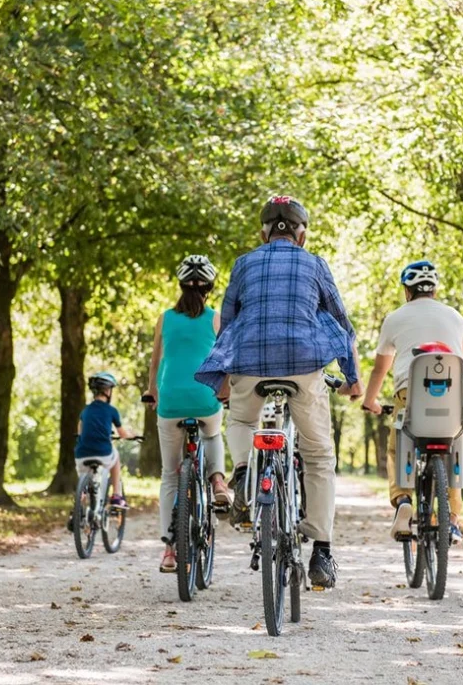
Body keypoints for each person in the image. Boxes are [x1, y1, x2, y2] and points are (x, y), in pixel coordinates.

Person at [195, 195, 362, 589]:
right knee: (318, 455)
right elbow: (342, 323)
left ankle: (243, 473)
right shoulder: (315, 264)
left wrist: (223, 373)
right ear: (302, 235)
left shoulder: (243, 264)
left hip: (250, 363)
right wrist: (352, 378)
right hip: (304, 366)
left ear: (263, 233)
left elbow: (228, 323)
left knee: (241, 419)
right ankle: (322, 552)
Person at [362, 260, 463, 542]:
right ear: (434, 290)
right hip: (452, 398)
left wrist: (370, 401)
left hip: (409, 396)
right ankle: (452, 518)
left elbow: (380, 370)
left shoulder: (394, 318)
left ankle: (403, 499)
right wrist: (459, 402)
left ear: (407, 290)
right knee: (455, 446)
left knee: (397, 445)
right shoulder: (456, 317)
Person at [144, 255, 231, 573]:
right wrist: (225, 391)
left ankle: (169, 550)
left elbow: (156, 362)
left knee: (170, 475)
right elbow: (226, 361)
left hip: (171, 402)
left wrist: (152, 392)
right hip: (204, 397)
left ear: (181, 286)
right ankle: (218, 480)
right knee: (213, 431)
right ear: (209, 288)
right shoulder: (216, 318)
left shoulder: (165, 318)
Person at [67, 371, 136, 531]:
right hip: (102, 453)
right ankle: (117, 496)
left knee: (84, 480)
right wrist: (132, 435)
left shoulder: (85, 411)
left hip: (81, 455)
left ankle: (77, 510)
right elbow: (122, 434)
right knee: (115, 456)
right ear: (107, 391)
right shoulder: (111, 411)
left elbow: (80, 432)